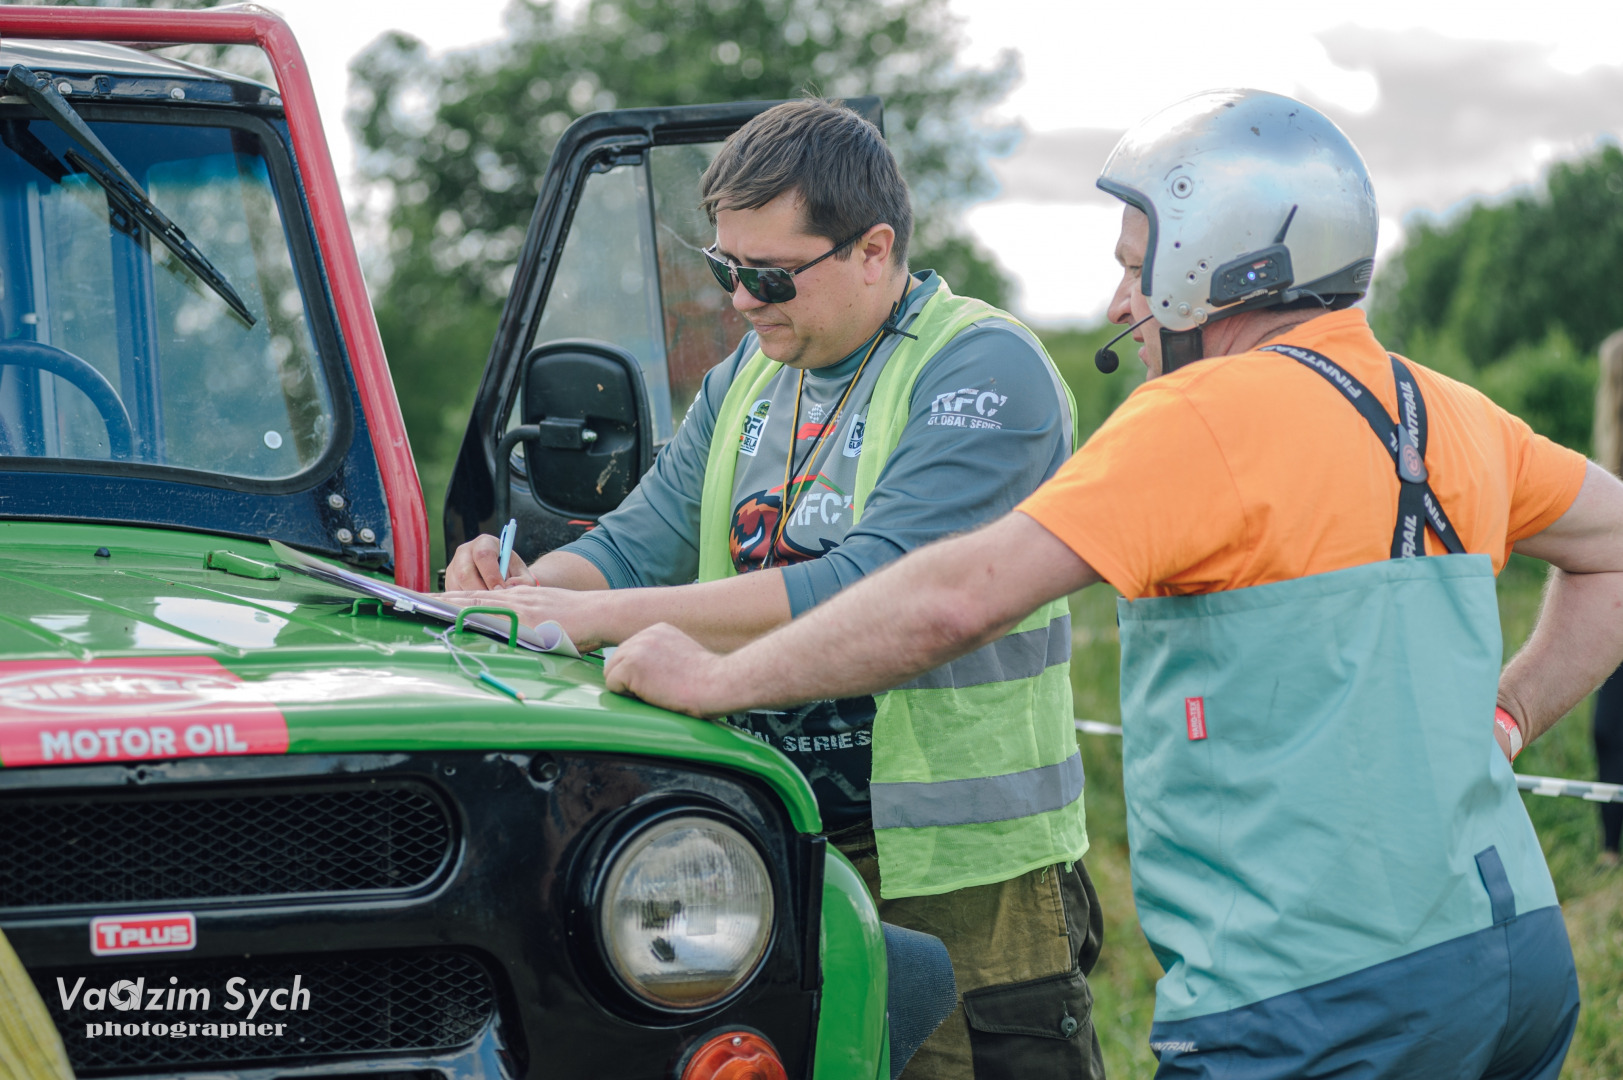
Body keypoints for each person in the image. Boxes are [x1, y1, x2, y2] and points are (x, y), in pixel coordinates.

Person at [604, 89, 1623, 1079]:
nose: (1119, 304)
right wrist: (1513, 713)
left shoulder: (1199, 417)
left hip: (1312, 992)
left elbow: (953, 596)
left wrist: (714, 682)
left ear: (1222, 271)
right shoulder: (1446, 409)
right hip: (1512, 961)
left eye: (1140, 270)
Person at [445, 99, 1104, 1079]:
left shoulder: (983, 369)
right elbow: (639, 541)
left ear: (874, 249)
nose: (741, 302)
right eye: (724, 269)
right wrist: (523, 593)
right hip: (779, 842)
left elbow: (871, 584)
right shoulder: (746, 377)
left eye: (767, 274)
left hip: (963, 874)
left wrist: (589, 618)